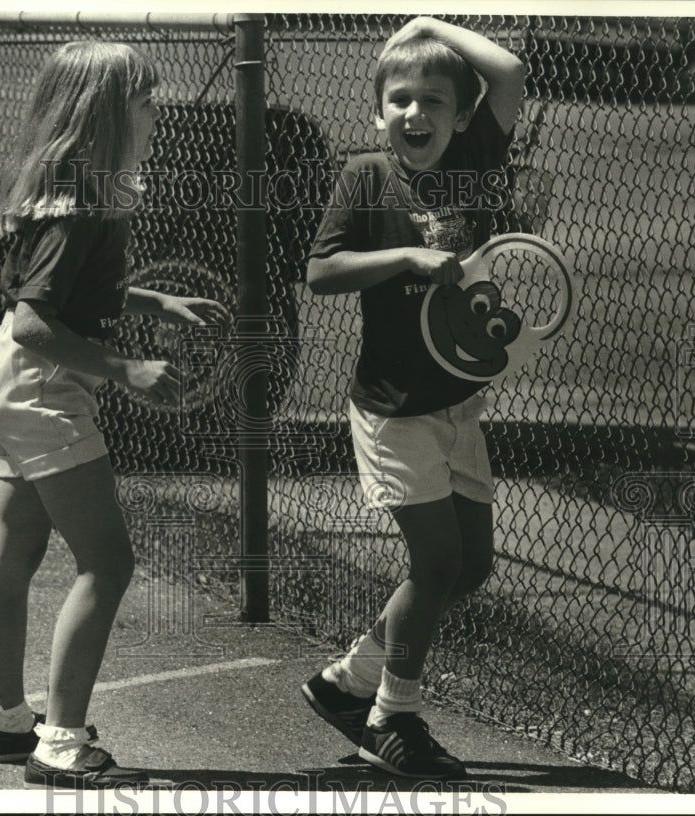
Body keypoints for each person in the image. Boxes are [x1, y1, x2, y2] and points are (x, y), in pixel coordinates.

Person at [0, 40, 226, 789]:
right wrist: (128, 369)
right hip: (41, 384)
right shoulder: (80, 207)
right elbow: (33, 323)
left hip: (15, 382)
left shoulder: (74, 193)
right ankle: (61, 742)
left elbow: (68, 298)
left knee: (10, 559)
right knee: (108, 562)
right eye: (147, 102)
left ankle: (5, 721)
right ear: (107, 115)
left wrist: (154, 301)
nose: (158, 113)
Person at [301, 17, 526, 779]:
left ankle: (346, 683)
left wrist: (427, 22)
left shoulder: (472, 163)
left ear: (460, 116)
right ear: (377, 111)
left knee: (469, 569)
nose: (415, 113)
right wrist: (404, 253)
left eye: (433, 99)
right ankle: (394, 717)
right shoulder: (365, 176)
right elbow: (322, 272)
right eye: (399, 98)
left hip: (458, 406)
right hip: (393, 409)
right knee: (435, 565)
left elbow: (510, 70)